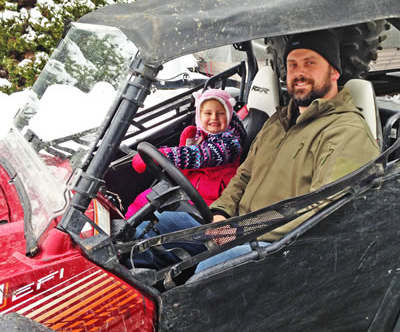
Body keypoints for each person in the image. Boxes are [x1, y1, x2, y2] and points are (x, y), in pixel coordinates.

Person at [131, 29, 380, 271]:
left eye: (310, 63)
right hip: (238, 228)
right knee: (149, 229)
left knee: (209, 271)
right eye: (292, 65)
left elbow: (321, 213)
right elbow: (244, 175)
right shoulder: (278, 121)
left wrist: (239, 231)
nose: (299, 72)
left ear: (334, 72)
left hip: (281, 247)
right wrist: (221, 213)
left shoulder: (347, 131)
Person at [125, 88, 246, 219]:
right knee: (145, 200)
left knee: (154, 213)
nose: (214, 117)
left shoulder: (230, 143)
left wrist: (168, 154)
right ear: (199, 116)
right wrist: (185, 145)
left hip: (211, 202)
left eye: (221, 113)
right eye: (208, 113)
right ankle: (126, 227)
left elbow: (204, 155)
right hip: (191, 190)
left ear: (229, 116)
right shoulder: (201, 135)